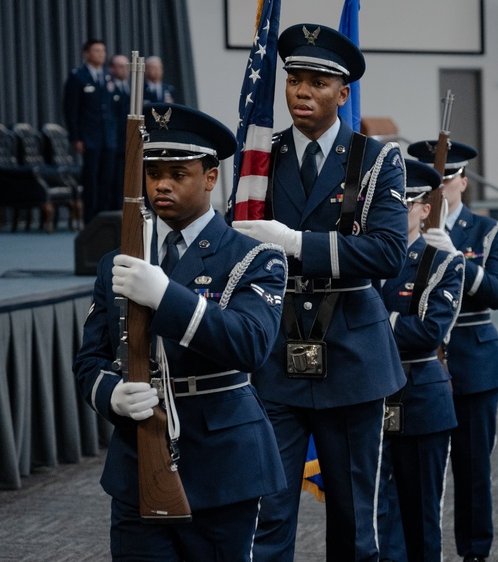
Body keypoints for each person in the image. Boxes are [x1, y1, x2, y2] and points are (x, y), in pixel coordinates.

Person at [73, 102, 288, 561]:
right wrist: (110, 393)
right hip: (138, 459)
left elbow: (251, 344)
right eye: (152, 173)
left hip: (222, 458)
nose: (161, 185)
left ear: (211, 177)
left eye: (178, 172)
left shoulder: (254, 256)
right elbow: (89, 359)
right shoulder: (119, 260)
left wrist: (167, 297)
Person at [232, 23, 408, 561]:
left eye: (316, 83)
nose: (301, 93)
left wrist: (295, 242)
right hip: (276, 352)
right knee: (266, 512)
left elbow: (387, 253)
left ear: (342, 93)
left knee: (356, 521)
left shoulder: (375, 160)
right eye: (292, 81)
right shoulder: (260, 159)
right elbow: (232, 239)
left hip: (353, 354)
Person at [408, 140, 498, 562]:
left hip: (471, 359)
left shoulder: (487, 230)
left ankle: (473, 552)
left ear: (463, 182)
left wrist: (455, 258)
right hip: (421, 364)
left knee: (471, 469)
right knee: (418, 472)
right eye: (431, 179)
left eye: (447, 178)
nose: (440, 186)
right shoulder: (408, 233)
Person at [376, 160, 463, 562]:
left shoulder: (442, 262)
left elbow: (428, 332)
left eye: (406, 204)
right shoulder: (366, 262)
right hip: (369, 393)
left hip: (420, 396)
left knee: (421, 508)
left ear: (425, 210)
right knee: (374, 508)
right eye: (389, 203)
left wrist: (372, 323)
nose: (397, 212)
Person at [63, 39, 117, 224]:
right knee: (91, 180)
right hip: (89, 138)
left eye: (103, 50)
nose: (101, 54)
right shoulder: (78, 76)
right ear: (86, 54)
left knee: (107, 179)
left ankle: (104, 219)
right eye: (96, 50)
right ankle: (90, 221)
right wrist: (76, 137)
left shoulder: (108, 77)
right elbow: (71, 110)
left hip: (108, 138)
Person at [109, 54, 131, 202]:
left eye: (126, 67)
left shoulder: (131, 88)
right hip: (114, 141)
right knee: (114, 178)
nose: (124, 70)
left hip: (129, 139)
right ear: (112, 68)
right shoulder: (108, 87)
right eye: (121, 66)